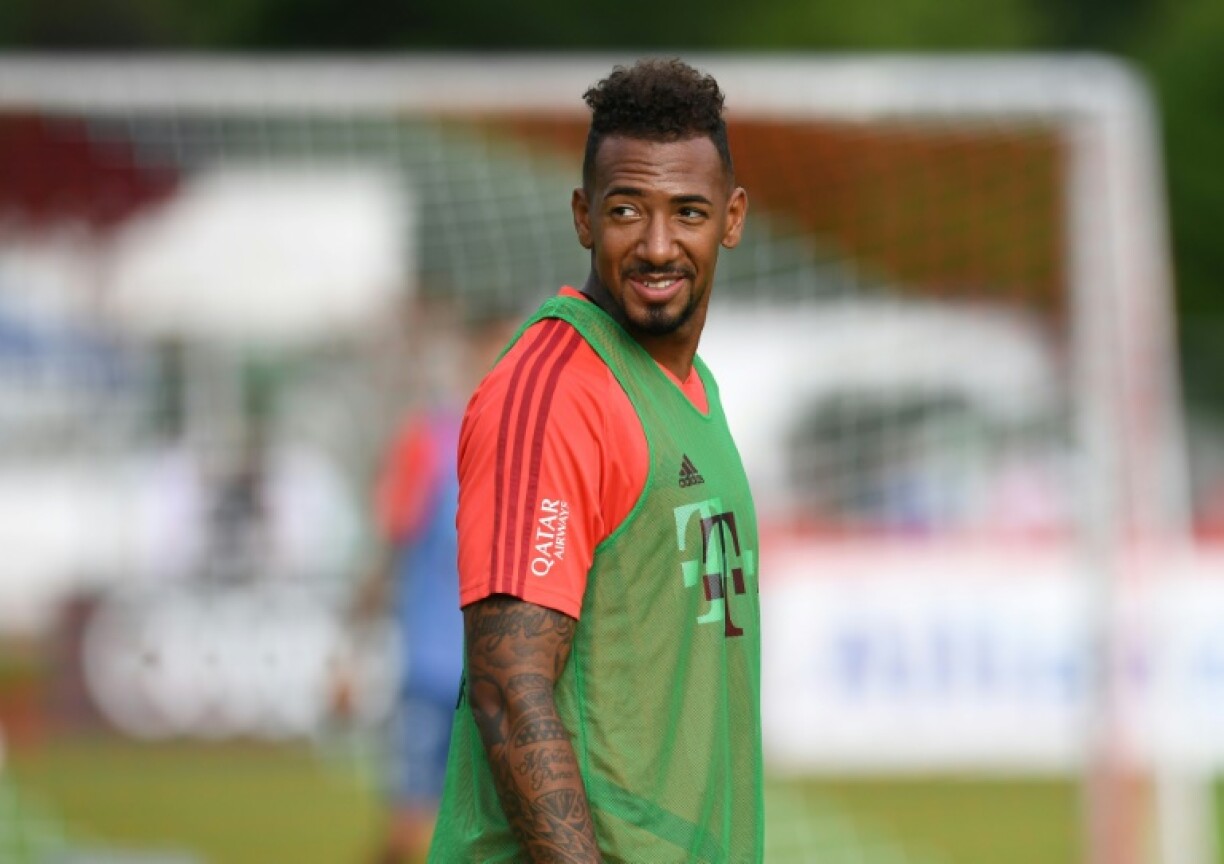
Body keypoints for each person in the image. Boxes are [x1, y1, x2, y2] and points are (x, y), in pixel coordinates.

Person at [429, 58, 762, 863]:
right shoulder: (554, 392)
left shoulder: (692, 388)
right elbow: (508, 687)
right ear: (584, 216)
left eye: (688, 212)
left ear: (731, 218)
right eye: (626, 210)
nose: (657, 245)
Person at [343, 306, 519, 864]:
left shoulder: (531, 449)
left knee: (499, 836)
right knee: (412, 831)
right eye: (493, 352)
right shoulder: (429, 443)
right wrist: (350, 653)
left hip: (505, 679)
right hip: (432, 673)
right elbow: (389, 548)